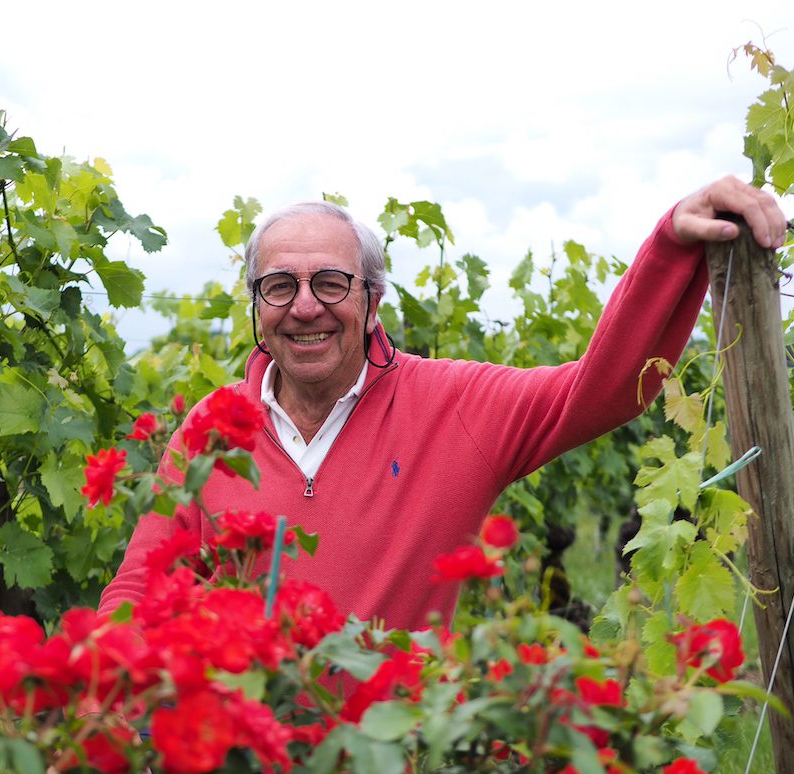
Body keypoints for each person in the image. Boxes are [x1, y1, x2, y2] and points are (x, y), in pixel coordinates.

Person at [98, 177, 787, 630]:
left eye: (331, 283)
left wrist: (669, 246)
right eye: (279, 286)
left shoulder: (454, 405)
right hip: (237, 767)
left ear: (373, 301)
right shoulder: (213, 427)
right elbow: (138, 587)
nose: (305, 306)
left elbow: (600, 392)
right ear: (256, 304)